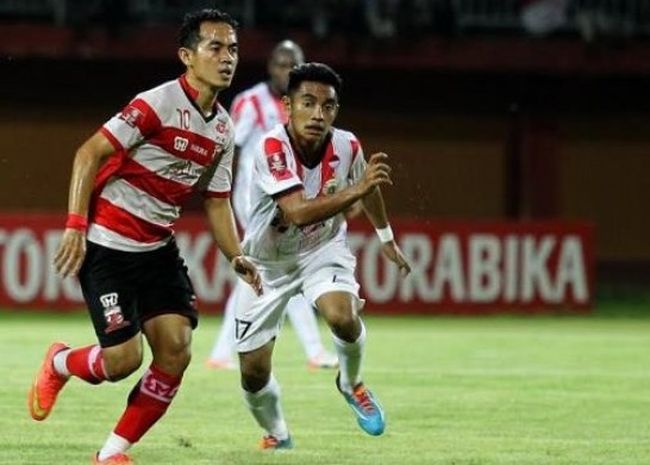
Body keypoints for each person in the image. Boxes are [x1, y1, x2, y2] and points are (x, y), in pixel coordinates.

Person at [27, 9, 261, 465]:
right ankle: (59, 362)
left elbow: (216, 201)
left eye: (233, 48)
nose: (227, 57)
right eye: (214, 47)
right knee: (122, 363)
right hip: (108, 248)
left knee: (176, 349)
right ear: (186, 56)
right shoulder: (157, 103)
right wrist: (76, 225)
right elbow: (88, 152)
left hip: (157, 250)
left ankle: (112, 453)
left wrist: (236, 255)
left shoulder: (223, 129)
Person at [234, 62, 411, 450]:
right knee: (253, 371)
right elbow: (296, 212)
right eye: (308, 103)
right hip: (266, 264)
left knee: (343, 318)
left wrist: (385, 237)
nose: (318, 114)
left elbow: (370, 186)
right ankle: (278, 435)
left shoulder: (347, 145)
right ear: (287, 105)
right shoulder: (271, 147)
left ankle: (351, 384)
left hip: (321, 250)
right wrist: (356, 189)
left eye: (328, 106)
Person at [207, 40, 338, 371]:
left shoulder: (305, 105)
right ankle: (313, 351)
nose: (286, 71)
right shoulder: (250, 101)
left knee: (261, 271)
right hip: (255, 200)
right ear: (270, 67)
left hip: (290, 198)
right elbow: (229, 148)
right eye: (281, 64)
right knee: (285, 268)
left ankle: (222, 352)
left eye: (293, 64)